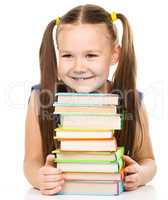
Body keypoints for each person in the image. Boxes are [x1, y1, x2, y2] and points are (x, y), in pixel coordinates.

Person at [23, 4, 157, 195]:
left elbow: (149, 161)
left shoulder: (131, 99)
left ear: (114, 55)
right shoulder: (40, 98)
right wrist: (39, 177)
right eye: (68, 55)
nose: (79, 67)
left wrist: (141, 173)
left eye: (91, 55)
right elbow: (31, 162)